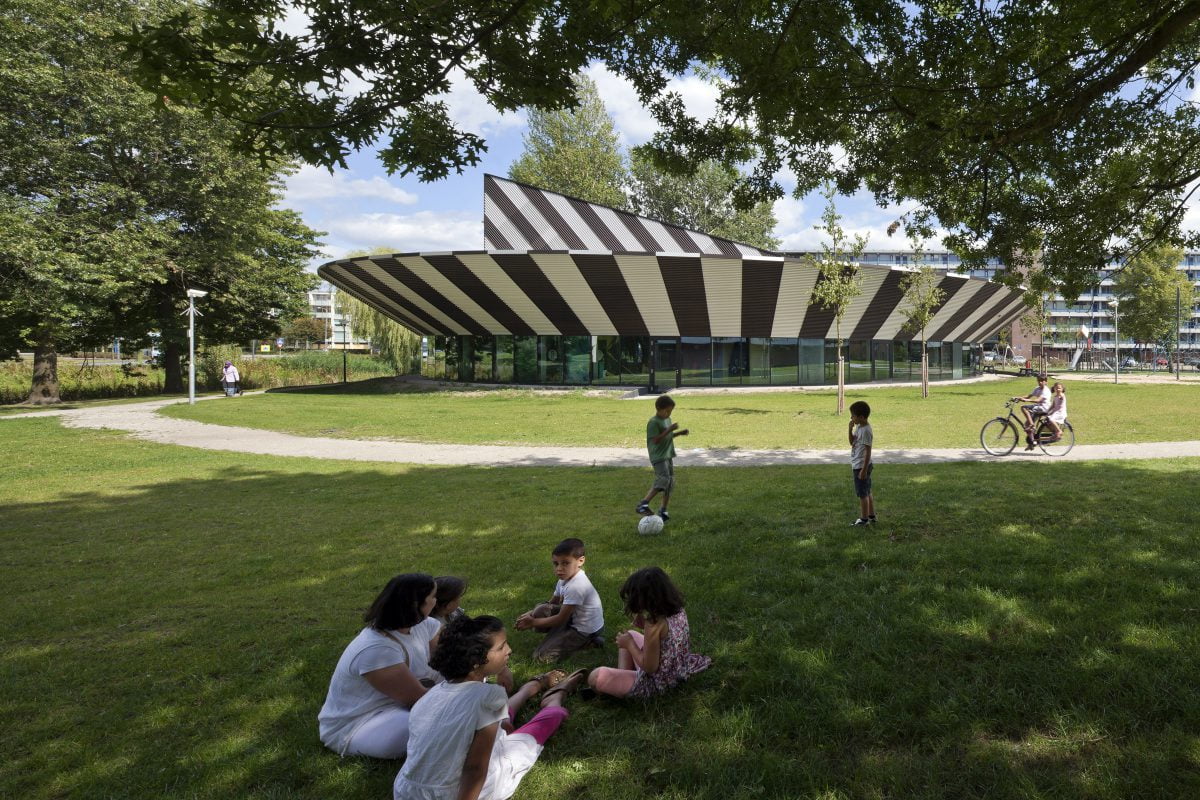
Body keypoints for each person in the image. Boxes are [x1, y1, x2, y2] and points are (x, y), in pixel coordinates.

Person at [393, 615, 587, 800]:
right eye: (501, 647)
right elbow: (475, 768)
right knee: (535, 731)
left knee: (495, 716)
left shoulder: (430, 696)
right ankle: (554, 699)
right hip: (456, 792)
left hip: (406, 792)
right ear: (476, 659)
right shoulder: (489, 696)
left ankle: (530, 688)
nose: (509, 650)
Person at [318, 573, 443, 758]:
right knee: (438, 724)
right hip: (362, 722)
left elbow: (450, 661)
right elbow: (418, 699)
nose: (436, 600)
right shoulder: (376, 649)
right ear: (418, 605)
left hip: (399, 704)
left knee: (469, 691)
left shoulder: (423, 625)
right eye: (433, 596)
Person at [587, 567, 710, 699]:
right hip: (677, 670)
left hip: (659, 683)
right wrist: (641, 619)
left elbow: (650, 667)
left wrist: (629, 645)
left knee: (595, 677)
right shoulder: (677, 610)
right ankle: (623, 677)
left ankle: (626, 687)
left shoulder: (653, 624)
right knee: (631, 634)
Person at [514, 538, 604, 662]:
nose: (559, 569)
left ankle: (589, 642)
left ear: (580, 561)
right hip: (571, 619)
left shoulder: (577, 586)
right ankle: (559, 637)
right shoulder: (564, 578)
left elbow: (560, 619)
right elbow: (551, 604)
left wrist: (532, 622)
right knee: (541, 610)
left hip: (584, 630)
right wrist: (530, 614)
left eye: (565, 563)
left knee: (541, 657)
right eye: (556, 563)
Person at [435, 576, 513, 691]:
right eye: (458, 597)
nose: (460, 600)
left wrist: (502, 668)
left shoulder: (455, 613)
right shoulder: (435, 626)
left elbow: (475, 637)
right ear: (448, 604)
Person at [636, 394, 688, 522]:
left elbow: (667, 437)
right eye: (667, 411)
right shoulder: (653, 422)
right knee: (663, 478)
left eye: (671, 411)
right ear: (659, 408)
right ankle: (643, 504)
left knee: (670, 482)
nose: (669, 414)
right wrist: (670, 429)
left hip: (667, 454)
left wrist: (679, 433)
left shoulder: (667, 420)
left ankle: (663, 510)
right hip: (658, 456)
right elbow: (656, 440)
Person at [848, 400, 875, 526]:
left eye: (853, 415)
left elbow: (868, 452)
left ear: (862, 417)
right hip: (859, 464)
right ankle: (871, 515)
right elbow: (852, 442)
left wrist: (863, 470)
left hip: (861, 466)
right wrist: (850, 429)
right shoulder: (859, 427)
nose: (851, 417)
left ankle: (864, 520)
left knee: (863, 493)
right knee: (867, 491)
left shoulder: (866, 431)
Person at [1012, 373, 1051, 448]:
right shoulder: (1037, 388)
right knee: (1025, 425)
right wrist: (1018, 398)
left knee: (1024, 407)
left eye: (1042, 381)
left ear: (1046, 381)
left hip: (1043, 408)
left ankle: (1032, 425)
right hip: (1038, 407)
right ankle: (1033, 442)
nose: (1040, 382)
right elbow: (1028, 396)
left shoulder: (1046, 390)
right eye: (1038, 381)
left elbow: (1038, 400)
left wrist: (1026, 400)